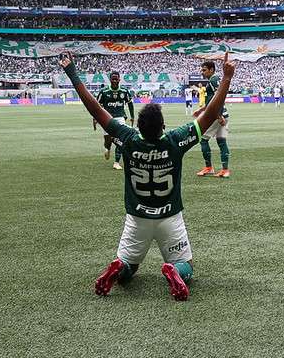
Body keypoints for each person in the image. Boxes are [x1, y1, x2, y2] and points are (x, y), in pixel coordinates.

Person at [59, 51, 235, 301]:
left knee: (129, 267)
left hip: (137, 217)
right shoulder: (175, 141)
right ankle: (174, 270)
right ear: (163, 126)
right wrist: (227, 77)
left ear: (138, 127)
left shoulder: (128, 140)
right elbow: (210, 115)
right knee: (187, 266)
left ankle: (121, 268)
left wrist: (72, 72)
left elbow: (96, 110)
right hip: (170, 217)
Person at [195, 60, 231, 178]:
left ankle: (209, 167)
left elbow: (219, 97)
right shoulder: (214, 80)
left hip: (217, 116)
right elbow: (212, 100)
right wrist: (201, 110)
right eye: (202, 70)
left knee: (203, 139)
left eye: (204, 70)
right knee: (221, 141)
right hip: (222, 114)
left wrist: (218, 116)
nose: (202, 72)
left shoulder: (213, 80)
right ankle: (225, 170)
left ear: (211, 70)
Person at [94, 71, 134, 170]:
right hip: (106, 118)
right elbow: (96, 106)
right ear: (110, 79)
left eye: (117, 79)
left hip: (120, 117)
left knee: (121, 140)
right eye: (113, 79)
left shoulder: (124, 91)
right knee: (108, 140)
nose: (115, 81)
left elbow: (130, 104)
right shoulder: (104, 91)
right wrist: (95, 118)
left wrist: (132, 116)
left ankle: (116, 162)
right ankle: (107, 149)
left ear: (119, 79)